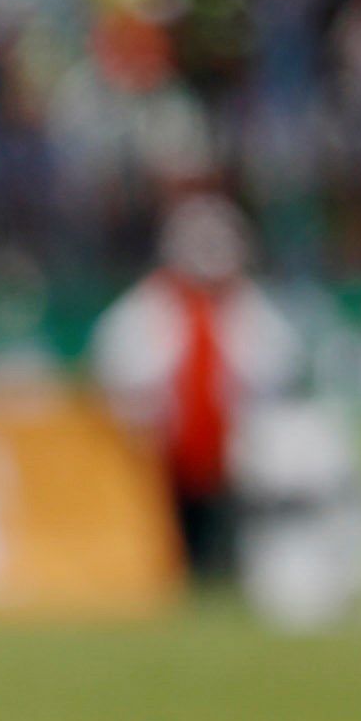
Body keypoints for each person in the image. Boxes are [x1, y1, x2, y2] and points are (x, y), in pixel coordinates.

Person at [90, 195, 302, 595]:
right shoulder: (146, 309)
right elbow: (121, 373)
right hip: (162, 453)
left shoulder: (253, 310)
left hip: (235, 452)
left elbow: (277, 374)